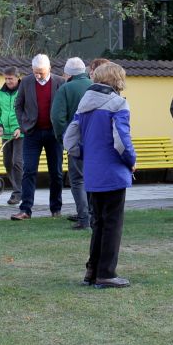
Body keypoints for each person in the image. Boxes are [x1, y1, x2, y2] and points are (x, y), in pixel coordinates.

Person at [63, 62, 136, 289]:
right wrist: (131, 161)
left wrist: (87, 155)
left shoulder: (84, 104)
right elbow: (121, 141)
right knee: (112, 224)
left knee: (98, 223)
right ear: (117, 79)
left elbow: (69, 140)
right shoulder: (118, 103)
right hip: (113, 172)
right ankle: (106, 274)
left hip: (93, 172)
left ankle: (92, 271)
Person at [12, 54, 66, 220]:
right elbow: (18, 105)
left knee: (56, 172)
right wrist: (23, 125)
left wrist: (62, 127)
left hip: (54, 133)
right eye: (35, 71)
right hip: (32, 133)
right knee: (29, 171)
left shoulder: (60, 82)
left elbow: (66, 106)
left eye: (41, 72)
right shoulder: (26, 82)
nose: (38, 75)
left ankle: (56, 209)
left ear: (49, 68)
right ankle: (25, 209)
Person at [51, 57, 93, 230]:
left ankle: (84, 218)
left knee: (78, 180)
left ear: (68, 74)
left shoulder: (65, 88)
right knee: (92, 178)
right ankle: (93, 215)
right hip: (96, 140)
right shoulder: (94, 85)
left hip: (76, 140)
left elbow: (57, 117)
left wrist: (63, 139)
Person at [0, 66, 23, 206]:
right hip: (6, 133)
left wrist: (20, 127)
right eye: (6, 78)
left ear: (17, 77)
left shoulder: (24, 91)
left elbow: (28, 111)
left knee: (17, 162)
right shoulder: (0, 93)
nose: (8, 81)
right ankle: (19, 189)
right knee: (7, 162)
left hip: (20, 133)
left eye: (10, 78)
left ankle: (18, 192)